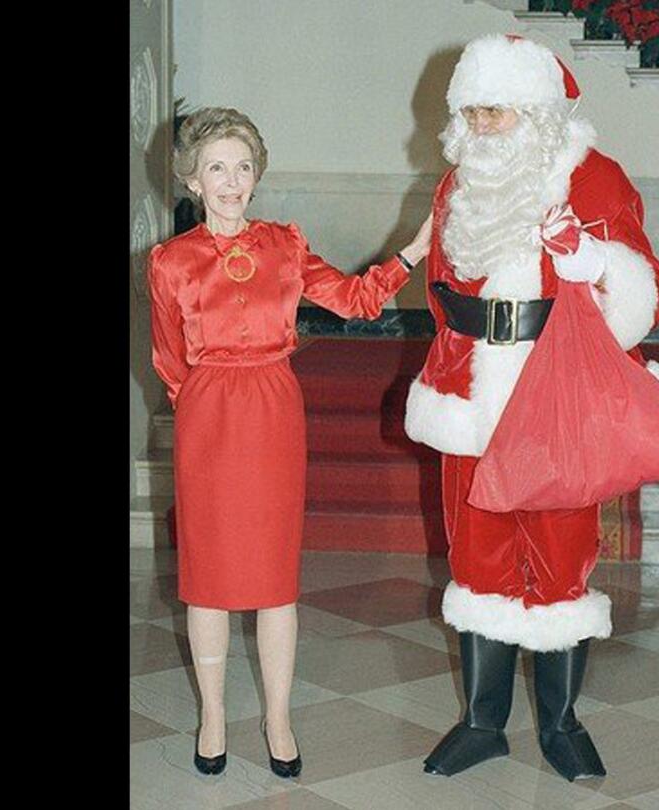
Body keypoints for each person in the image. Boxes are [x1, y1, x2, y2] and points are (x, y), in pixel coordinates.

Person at [407, 35, 659, 781]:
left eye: (498, 110)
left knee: (559, 557)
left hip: (555, 390)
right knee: (477, 551)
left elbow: (646, 288)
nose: (484, 127)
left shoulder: (594, 179)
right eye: (474, 111)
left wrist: (586, 261)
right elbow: (441, 287)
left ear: (538, 112)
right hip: (467, 392)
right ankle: (482, 723)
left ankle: (561, 724)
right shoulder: (457, 184)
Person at [148, 106, 432, 779]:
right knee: (208, 582)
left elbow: (358, 300)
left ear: (256, 176)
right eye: (216, 166)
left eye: (243, 166)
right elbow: (166, 360)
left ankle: (278, 715)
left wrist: (412, 254)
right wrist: (199, 412)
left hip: (274, 409)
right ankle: (212, 715)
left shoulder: (283, 244)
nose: (231, 180)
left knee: (276, 580)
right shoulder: (169, 262)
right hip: (207, 417)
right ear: (192, 178)